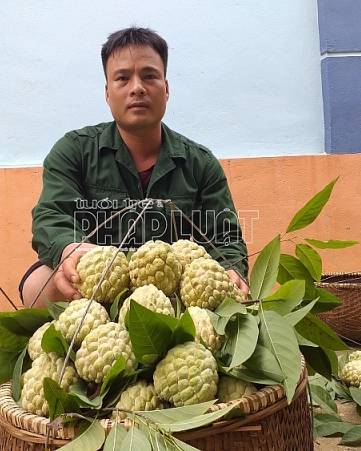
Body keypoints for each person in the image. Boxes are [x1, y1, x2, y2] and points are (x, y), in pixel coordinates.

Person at [20, 26, 249, 307]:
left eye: (149, 76)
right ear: (107, 92)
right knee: (37, 287)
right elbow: (52, 214)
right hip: (95, 288)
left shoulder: (199, 163)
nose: (137, 87)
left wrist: (231, 271)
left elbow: (224, 236)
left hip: (170, 291)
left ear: (165, 89)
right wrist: (69, 248)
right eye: (123, 78)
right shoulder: (75, 151)